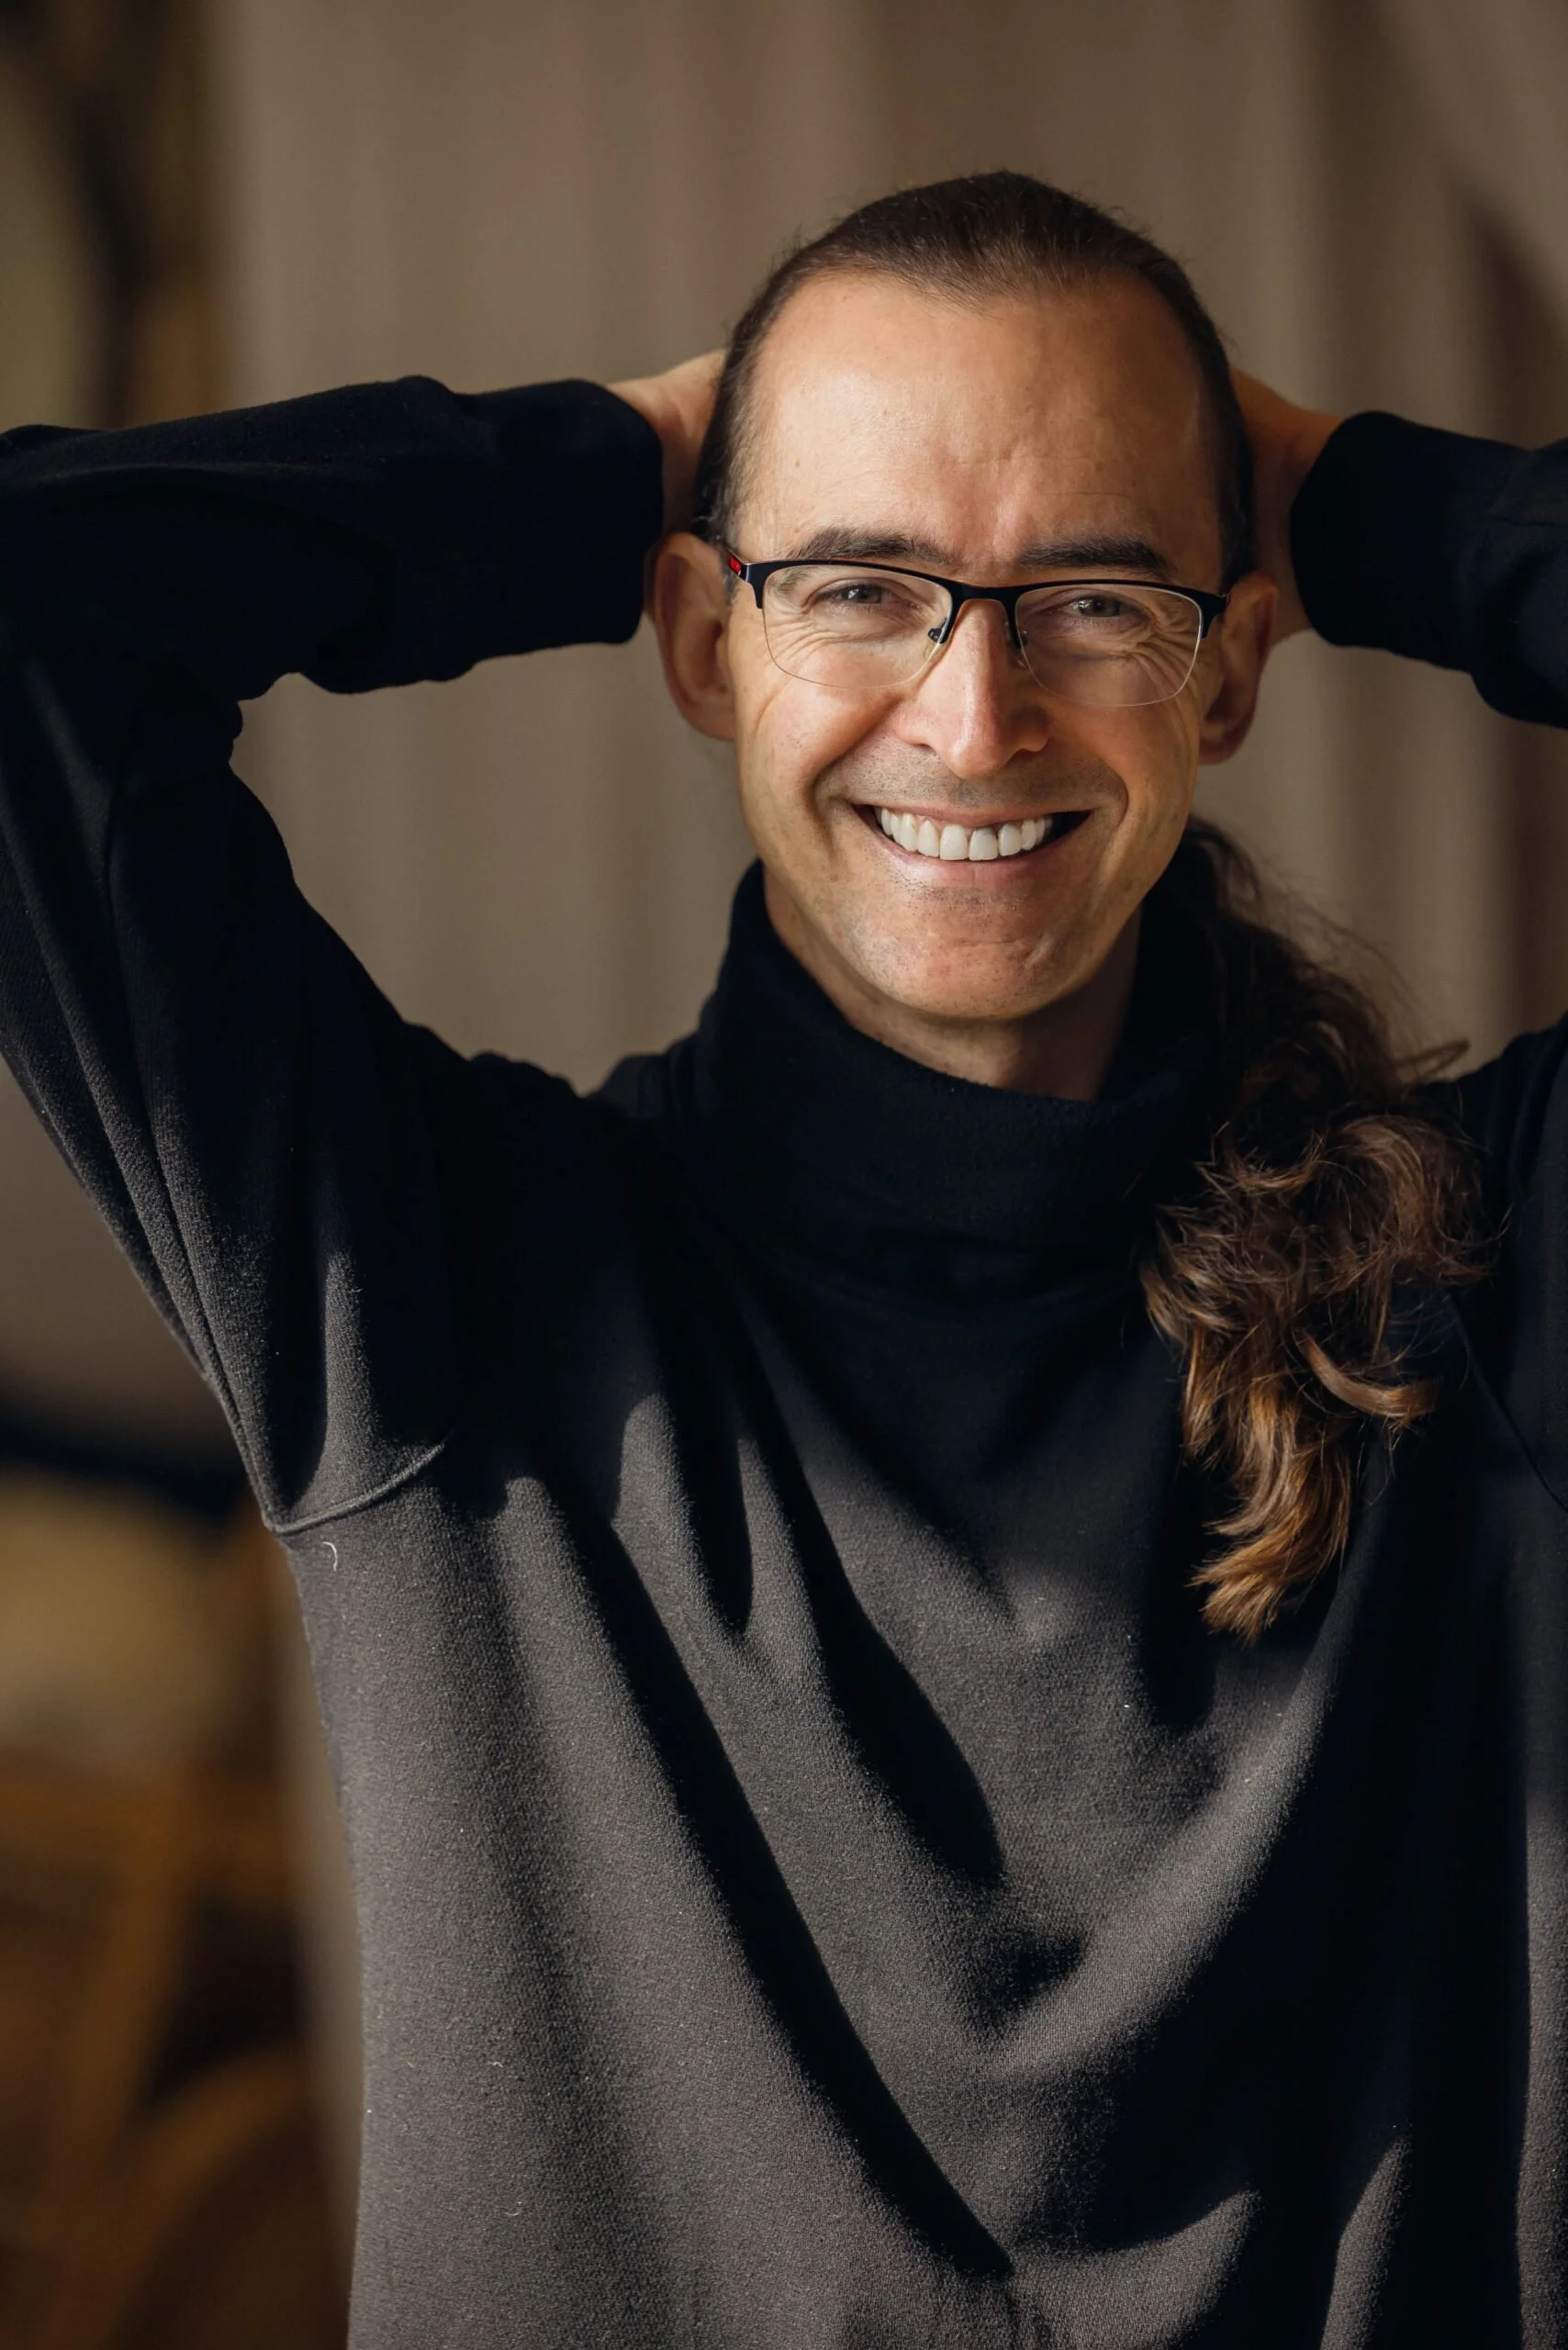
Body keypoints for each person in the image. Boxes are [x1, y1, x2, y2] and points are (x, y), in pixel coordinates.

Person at [1, 169, 1565, 2348]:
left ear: (1225, 667)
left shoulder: (1479, 1276)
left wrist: (1349, 503)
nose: (972, 713)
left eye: (1095, 595)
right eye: (854, 586)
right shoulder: (427, 1279)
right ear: (694, 638)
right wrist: (613, 464)